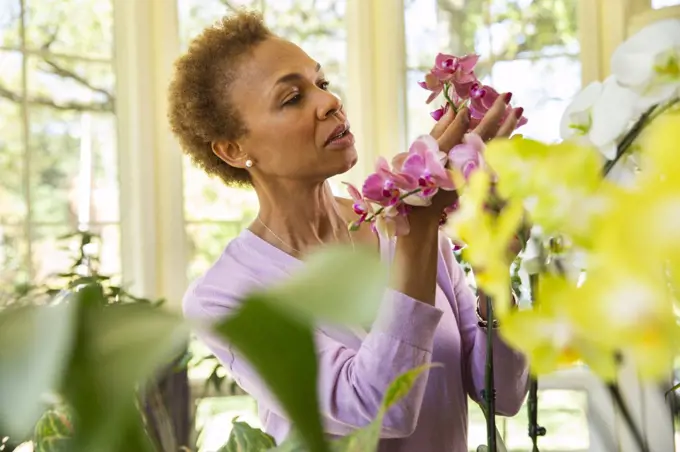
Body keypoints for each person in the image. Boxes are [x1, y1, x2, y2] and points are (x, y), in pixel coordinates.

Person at [169, 10, 529, 452]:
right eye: (291, 98)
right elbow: (378, 410)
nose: (329, 102)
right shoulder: (225, 298)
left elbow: (503, 396)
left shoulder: (406, 217)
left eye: (320, 83)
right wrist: (414, 237)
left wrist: (495, 272)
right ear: (233, 149)